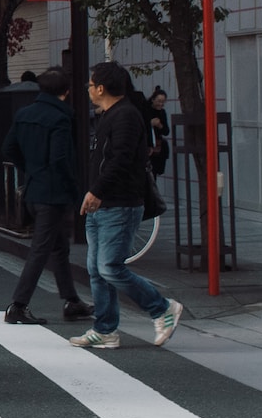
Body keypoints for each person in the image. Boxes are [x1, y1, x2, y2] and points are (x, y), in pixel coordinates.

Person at [71, 61, 183, 350]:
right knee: (97, 269)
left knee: (109, 266)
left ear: (100, 88)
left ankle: (162, 308)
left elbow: (119, 159)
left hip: (119, 203)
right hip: (104, 203)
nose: (88, 88)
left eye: (91, 83)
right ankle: (105, 330)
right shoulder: (112, 114)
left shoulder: (126, 116)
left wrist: (96, 191)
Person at [0, 68, 90, 325]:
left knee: (59, 246)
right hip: (53, 192)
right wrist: (74, 191)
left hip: (33, 187)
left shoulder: (25, 114)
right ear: (66, 92)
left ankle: (72, 300)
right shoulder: (61, 118)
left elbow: (8, 147)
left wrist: (29, 168)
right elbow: (60, 159)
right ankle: (18, 304)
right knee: (41, 250)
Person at [146, 88, 172, 177]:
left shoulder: (162, 112)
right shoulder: (146, 110)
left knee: (155, 172)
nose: (161, 104)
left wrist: (160, 125)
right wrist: (150, 124)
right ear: (153, 100)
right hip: (147, 144)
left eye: (163, 102)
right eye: (159, 101)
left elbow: (166, 131)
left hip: (158, 146)